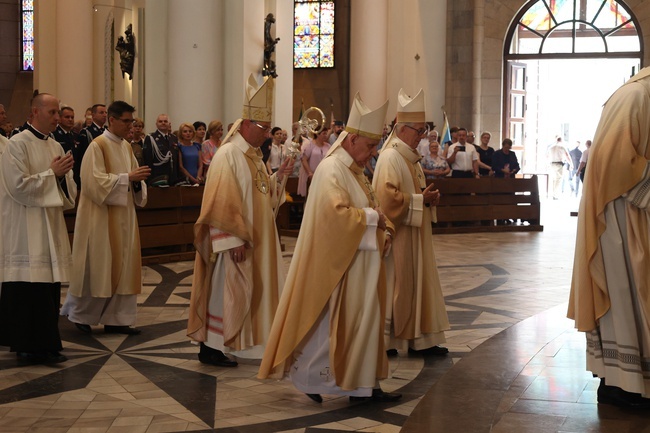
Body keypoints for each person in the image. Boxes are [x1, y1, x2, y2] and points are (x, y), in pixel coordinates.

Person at [259, 93, 401, 403]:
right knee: (332, 329)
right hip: (339, 267)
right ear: (351, 141)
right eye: (369, 147)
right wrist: (374, 219)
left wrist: (385, 227)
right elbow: (335, 216)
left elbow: (375, 206)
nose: (373, 153)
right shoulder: (331, 170)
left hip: (360, 264)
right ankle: (331, 382)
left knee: (362, 325)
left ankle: (365, 386)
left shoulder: (355, 170)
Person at [187, 74, 293, 367]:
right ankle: (211, 347)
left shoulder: (254, 156)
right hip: (233, 243)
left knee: (243, 293)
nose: (267, 135)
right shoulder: (228, 155)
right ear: (246, 124)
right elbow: (220, 200)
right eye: (263, 128)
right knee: (225, 293)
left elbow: (261, 195)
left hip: (255, 241)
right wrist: (232, 239)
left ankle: (246, 343)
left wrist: (279, 176)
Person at [568, 68, 650, 409]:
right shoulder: (637, 96)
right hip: (618, 217)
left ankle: (623, 380)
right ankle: (624, 384)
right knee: (626, 296)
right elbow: (614, 161)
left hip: (627, 212)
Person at [61, 100, 150, 336]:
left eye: (132, 121)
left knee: (123, 267)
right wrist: (127, 178)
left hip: (124, 219)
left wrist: (137, 182)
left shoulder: (126, 147)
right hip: (99, 219)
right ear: (112, 120)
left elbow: (133, 178)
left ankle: (117, 319)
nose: (131, 126)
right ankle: (81, 315)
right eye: (126, 121)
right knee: (98, 267)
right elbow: (92, 184)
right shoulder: (97, 146)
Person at [373, 88, 450, 357]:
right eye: (418, 131)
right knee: (400, 286)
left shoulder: (408, 155)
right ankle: (393, 341)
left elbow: (414, 191)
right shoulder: (391, 157)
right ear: (402, 128)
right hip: (400, 235)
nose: (422, 136)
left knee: (420, 283)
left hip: (416, 232)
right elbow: (386, 198)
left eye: (423, 131)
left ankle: (421, 340)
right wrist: (419, 199)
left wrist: (428, 199)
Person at [0, 93, 76, 364]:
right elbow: (16, 187)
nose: (57, 118)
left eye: (58, 113)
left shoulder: (55, 145)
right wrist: (52, 175)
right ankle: (27, 344)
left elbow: (69, 191)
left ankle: (46, 341)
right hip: (25, 227)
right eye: (53, 112)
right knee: (27, 288)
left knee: (47, 288)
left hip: (49, 225)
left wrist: (63, 178)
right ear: (35, 111)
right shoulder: (16, 144)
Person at [76, 104, 107, 188]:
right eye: (101, 112)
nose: (105, 115)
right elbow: (81, 155)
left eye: (105, 112)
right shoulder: (86, 132)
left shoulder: (107, 131)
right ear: (93, 115)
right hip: (91, 170)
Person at [143, 114, 180, 186]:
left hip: (172, 177)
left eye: (165, 121)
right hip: (158, 177)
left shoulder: (174, 138)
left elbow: (176, 158)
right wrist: (150, 180)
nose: (163, 123)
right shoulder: (151, 138)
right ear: (156, 124)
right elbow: (148, 160)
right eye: (160, 121)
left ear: (169, 124)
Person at [297, 127, 330, 197]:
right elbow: (304, 160)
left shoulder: (328, 146)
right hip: (312, 175)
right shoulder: (310, 145)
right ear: (317, 134)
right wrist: (310, 173)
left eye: (326, 134)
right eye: (324, 133)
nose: (326, 135)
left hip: (324, 176)